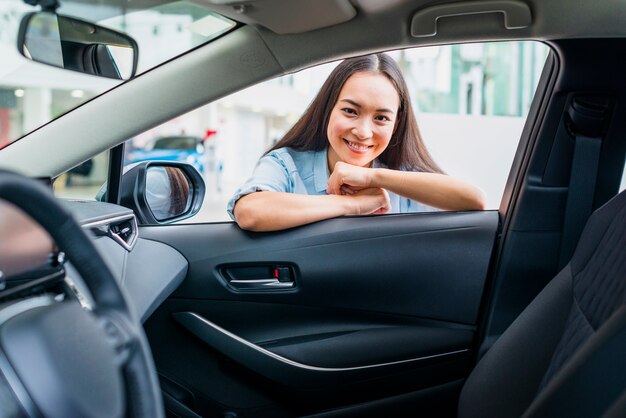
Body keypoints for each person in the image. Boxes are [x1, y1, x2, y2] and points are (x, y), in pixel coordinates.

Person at [228, 53, 485, 232]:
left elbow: (474, 200)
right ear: (329, 108)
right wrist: (353, 205)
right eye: (351, 111)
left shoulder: (403, 179)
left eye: (381, 118)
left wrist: (375, 178)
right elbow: (251, 211)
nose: (363, 132)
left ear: (396, 123)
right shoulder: (286, 163)